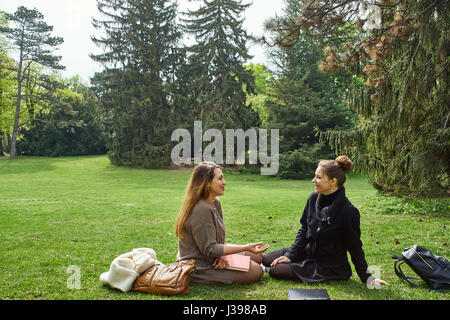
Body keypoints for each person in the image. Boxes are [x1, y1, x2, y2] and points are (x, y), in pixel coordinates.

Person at [262, 156, 388, 289]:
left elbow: (355, 247)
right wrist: (291, 255)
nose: (313, 180)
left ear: (333, 181)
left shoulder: (348, 212)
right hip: (308, 252)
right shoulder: (313, 198)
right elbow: (304, 229)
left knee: (276, 270)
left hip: (329, 265)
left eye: (318, 177)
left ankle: (261, 269)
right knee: (267, 259)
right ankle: (259, 265)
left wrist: (367, 277)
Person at [176, 162, 269, 284]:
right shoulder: (201, 208)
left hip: (213, 257)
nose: (224, 182)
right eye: (220, 178)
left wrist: (223, 256)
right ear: (207, 182)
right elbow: (209, 249)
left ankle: (230, 261)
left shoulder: (215, 202)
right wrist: (246, 247)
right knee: (257, 271)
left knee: (258, 257)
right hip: (200, 266)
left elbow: (219, 238)